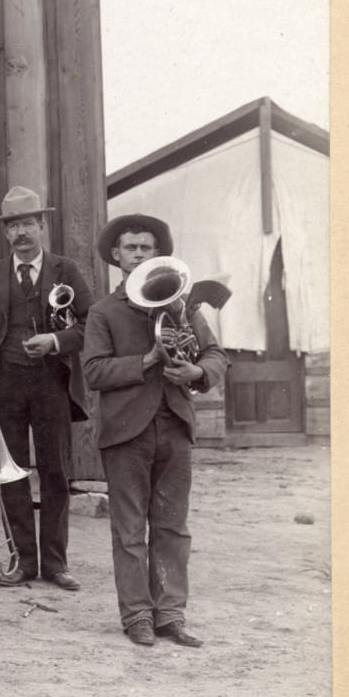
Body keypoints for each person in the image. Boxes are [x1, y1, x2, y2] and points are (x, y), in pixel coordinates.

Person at [82, 213, 228, 649]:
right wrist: (145, 361)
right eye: (132, 248)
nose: (140, 255)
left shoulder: (179, 306)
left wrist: (196, 369)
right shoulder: (102, 311)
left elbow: (218, 355)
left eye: (147, 248)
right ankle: (138, 616)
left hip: (175, 425)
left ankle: (171, 615)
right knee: (129, 530)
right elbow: (92, 370)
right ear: (116, 256)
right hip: (127, 431)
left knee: (173, 527)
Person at [0, 186, 94, 590]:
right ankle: (23, 560)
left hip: (51, 382)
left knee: (55, 472)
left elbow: (91, 324)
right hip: (7, 383)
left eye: (28, 223)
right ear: (5, 233)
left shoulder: (67, 270)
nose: (21, 232)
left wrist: (56, 342)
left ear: (42, 225)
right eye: (13, 226)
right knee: (10, 474)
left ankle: (56, 564)